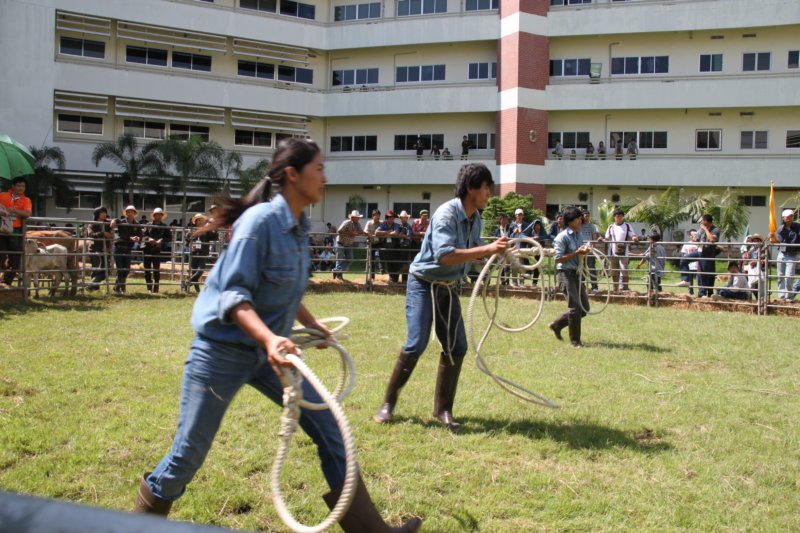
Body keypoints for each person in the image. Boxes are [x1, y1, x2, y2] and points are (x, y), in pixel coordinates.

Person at [133, 139, 422, 533]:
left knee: (332, 431)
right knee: (188, 455)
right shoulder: (259, 224)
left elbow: (286, 288)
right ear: (292, 174)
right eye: (318, 168)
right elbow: (234, 297)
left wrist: (312, 324)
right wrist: (270, 340)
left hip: (272, 354)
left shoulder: (298, 226)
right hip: (222, 352)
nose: (324, 177)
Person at [373, 163, 508, 430]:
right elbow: (445, 256)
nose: (489, 194)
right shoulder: (446, 214)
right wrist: (488, 249)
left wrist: (497, 255)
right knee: (416, 343)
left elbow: (470, 252)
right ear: (471, 188)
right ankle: (387, 404)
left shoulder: (476, 218)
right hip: (423, 284)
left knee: (457, 347)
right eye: (486, 188)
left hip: (448, 287)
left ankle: (443, 410)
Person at [548, 206, 591, 347]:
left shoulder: (579, 235)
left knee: (584, 308)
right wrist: (577, 253)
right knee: (575, 308)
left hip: (576, 274)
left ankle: (557, 324)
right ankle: (575, 341)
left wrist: (585, 251)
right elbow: (558, 259)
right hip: (565, 274)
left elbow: (580, 252)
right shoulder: (562, 237)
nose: (580, 220)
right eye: (578, 218)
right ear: (570, 221)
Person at [0, 176, 32, 287]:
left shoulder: (26, 200)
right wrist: (3, 211)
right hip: (1, 229)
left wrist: (14, 211)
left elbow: (27, 213)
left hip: (16, 230)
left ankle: (6, 282)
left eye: (23, 186)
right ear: (12, 186)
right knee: (1, 254)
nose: (21, 188)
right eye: (19, 186)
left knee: (15, 257)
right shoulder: (2, 195)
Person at [110, 205, 143, 294]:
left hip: (128, 248)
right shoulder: (121, 222)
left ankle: (117, 286)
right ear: (126, 213)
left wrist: (138, 238)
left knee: (126, 269)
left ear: (134, 213)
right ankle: (122, 288)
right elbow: (117, 222)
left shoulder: (137, 224)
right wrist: (113, 220)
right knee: (120, 268)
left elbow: (140, 235)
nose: (130, 213)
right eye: (128, 212)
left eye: (132, 212)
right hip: (119, 247)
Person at [604, 208, 638, 291]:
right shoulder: (610, 227)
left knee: (624, 270)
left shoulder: (627, 226)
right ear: (614, 217)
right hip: (612, 253)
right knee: (614, 272)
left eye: (620, 216)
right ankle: (615, 288)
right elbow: (606, 238)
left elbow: (633, 235)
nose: (619, 218)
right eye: (617, 216)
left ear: (623, 217)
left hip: (624, 252)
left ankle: (625, 288)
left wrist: (634, 238)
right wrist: (602, 239)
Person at [185, 213, 217, 293]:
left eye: (201, 220)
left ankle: (187, 283)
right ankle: (197, 290)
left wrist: (214, 228)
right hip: (193, 254)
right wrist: (191, 246)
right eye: (198, 220)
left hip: (203, 253)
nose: (200, 222)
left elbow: (215, 237)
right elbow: (187, 242)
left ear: (204, 222)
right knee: (194, 272)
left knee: (200, 271)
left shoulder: (207, 231)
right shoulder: (191, 231)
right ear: (195, 222)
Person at [771, 208, 799, 300]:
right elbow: (778, 242)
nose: (789, 218)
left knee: (789, 277)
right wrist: (773, 238)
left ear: (793, 217)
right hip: (781, 254)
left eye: (791, 216)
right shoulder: (780, 229)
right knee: (780, 276)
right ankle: (782, 296)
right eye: (787, 217)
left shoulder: (798, 227)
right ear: (783, 218)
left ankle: (789, 297)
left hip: (792, 255)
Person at [142, 207, 172, 293]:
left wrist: (161, 240)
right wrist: (149, 239)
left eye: (160, 215)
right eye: (156, 215)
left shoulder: (164, 227)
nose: (158, 216)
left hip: (157, 249)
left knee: (156, 269)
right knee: (147, 269)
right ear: (154, 216)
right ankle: (149, 287)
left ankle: (156, 287)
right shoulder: (148, 225)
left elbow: (170, 237)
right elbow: (143, 235)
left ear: (162, 216)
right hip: (147, 249)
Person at [84, 206, 113, 291]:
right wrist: (102, 233)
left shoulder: (108, 223)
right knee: (96, 269)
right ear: (97, 214)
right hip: (95, 249)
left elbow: (118, 221)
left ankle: (91, 285)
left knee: (106, 270)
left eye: (105, 212)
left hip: (105, 249)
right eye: (102, 213)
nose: (104, 214)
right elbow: (91, 234)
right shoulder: (92, 224)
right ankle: (93, 287)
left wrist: (115, 221)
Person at [333, 210, 366, 280]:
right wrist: (349, 233)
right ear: (353, 217)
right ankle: (339, 276)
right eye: (357, 217)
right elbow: (339, 231)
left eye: (358, 217)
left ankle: (337, 270)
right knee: (340, 260)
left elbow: (361, 231)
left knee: (350, 259)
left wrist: (355, 233)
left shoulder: (358, 224)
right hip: (341, 243)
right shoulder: (347, 222)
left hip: (348, 244)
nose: (358, 218)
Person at [695, 213, 720, 298]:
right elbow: (696, 238)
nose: (701, 222)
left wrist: (705, 229)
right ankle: (702, 292)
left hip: (709, 254)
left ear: (706, 221)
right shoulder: (702, 230)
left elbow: (712, 239)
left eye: (702, 220)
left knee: (708, 273)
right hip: (701, 253)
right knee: (700, 272)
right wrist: (696, 235)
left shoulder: (715, 229)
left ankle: (708, 292)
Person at [375, 210, 403, 283]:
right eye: (389, 217)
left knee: (395, 264)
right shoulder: (383, 225)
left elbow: (396, 232)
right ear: (386, 218)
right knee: (388, 263)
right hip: (386, 247)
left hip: (395, 248)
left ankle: (395, 279)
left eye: (392, 217)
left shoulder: (396, 225)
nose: (391, 219)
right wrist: (387, 232)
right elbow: (376, 232)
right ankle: (391, 278)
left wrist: (385, 234)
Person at [578, 209, 601, 292]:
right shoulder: (579, 226)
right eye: (585, 216)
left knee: (592, 268)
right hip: (581, 249)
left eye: (588, 216)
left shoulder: (592, 226)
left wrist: (593, 248)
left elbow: (594, 238)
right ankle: (582, 286)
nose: (586, 217)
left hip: (590, 249)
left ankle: (594, 287)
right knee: (582, 268)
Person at [526, 219, 549, 287]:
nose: (537, 227)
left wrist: (537, 238)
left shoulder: (542, 232)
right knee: (525, 260)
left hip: (539, 250)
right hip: (530, 249)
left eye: (539, 225)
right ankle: (528, 273)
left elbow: (546, 236)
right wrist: (531, 238)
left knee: (538, 266)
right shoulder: (531, 231)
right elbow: (525, 236)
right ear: (534, 226)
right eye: (536, 225)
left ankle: (534, 282)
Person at [677, 229, 700, 294]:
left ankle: (700, 293)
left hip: (698, 265)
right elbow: (684, 255)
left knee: (699, 281)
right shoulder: (686, 244)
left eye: (696, 234)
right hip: (689, 266)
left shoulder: (700, 243)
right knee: (690, 281)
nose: (694, 236)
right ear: (690, 236)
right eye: (693, 235)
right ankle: (690, 293)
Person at [364, 209, 383, 280]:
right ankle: (372, 276)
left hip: (379, 243)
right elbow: (365, 230)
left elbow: (385, 229)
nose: (378, 217)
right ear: (373, 216)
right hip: (371, 243)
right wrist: (369, 234)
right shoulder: (369, 223)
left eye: (379, 215)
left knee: (380, 254)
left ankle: (381, 268)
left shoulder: (382, 223)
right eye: (376, 215)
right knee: (371, 259)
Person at [397, 211, 414, 284]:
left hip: (406, 247)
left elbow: (409, 237)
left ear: (407, 218)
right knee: (400, 263)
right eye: (402, 218)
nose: (403, 219)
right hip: (400, 247)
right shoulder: (399, 226)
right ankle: (400, 279)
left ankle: (405, 280)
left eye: (404, 218)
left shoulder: (408, 227)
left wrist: (403, 235)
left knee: (405, 263)